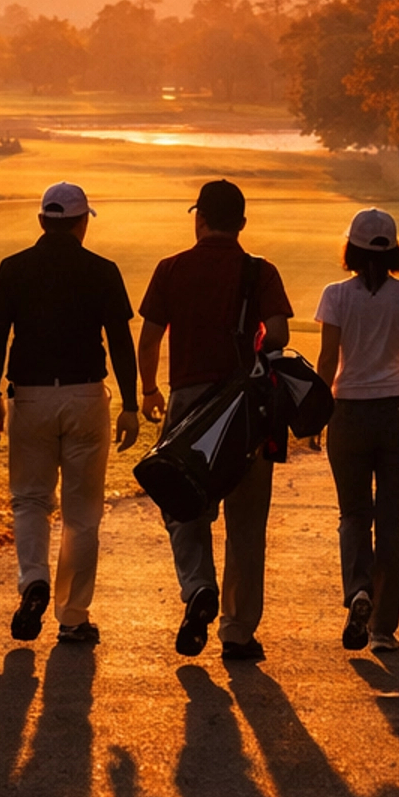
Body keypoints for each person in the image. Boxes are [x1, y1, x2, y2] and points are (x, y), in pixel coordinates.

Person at [137, 178, 292, 662]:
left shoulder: (171, 268)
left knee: (182, 502)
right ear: (241, 223)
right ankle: (238, 630)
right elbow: (279, 333)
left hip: (188, 402)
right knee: (246, 521)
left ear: (199, 218)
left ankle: (199, 585)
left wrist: (148, 389)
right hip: (245, 408)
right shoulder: (260, 271)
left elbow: (150, 337)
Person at [0, 182, 140, 647]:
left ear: (41, 221)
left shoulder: (13, 268)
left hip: (29, 396)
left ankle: (33, 578)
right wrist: (131, 404)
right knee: (81, 513)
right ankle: (72, 616)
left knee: (31, 500)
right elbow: (120, 342)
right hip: (86, 395)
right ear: (82, 222)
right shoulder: (102, 270)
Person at [315, 209, 399, 655]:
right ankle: (382, 628)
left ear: (351, 250)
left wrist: (314, 414)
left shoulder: (335, 295)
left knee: (354, 514)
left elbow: (328, 360)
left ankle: (359, 589)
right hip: (398, 412)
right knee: (393, 521)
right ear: (394, 250)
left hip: (348, 412)